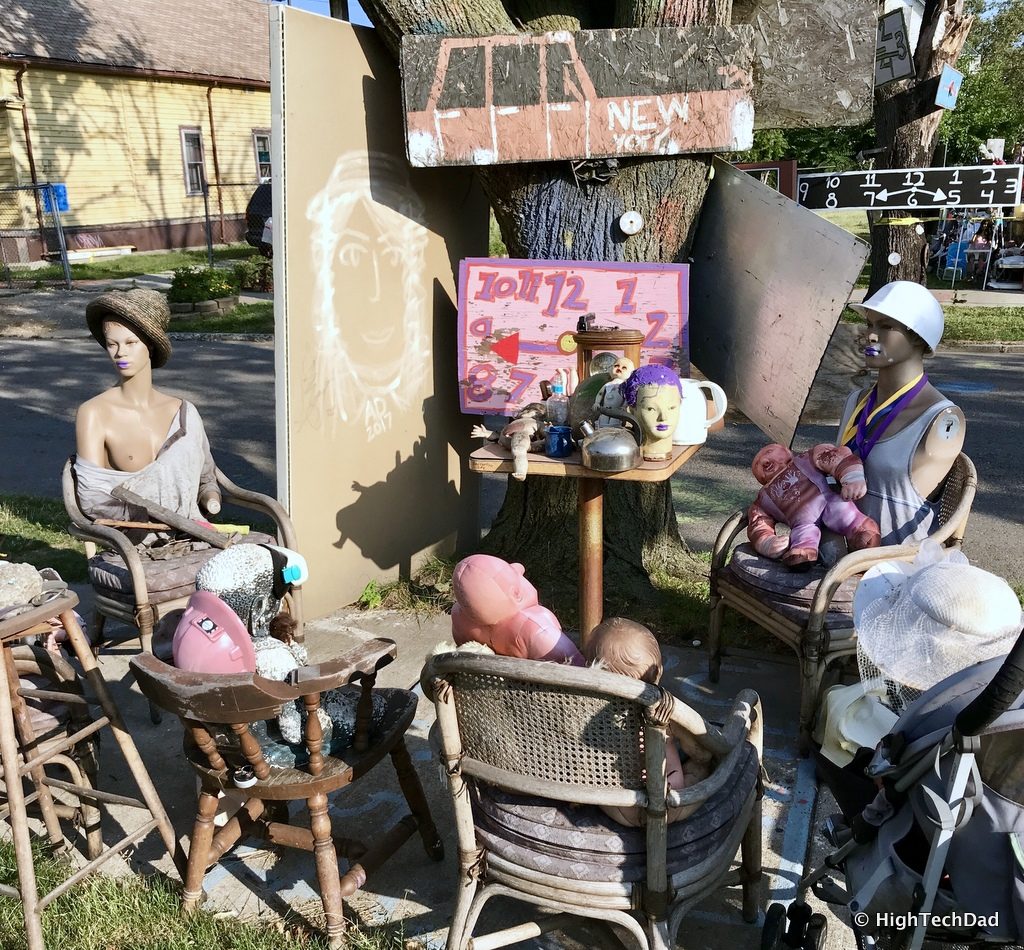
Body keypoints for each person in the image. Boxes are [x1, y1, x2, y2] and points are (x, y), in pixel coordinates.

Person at [74, 288, 222, 533]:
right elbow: (93, 498)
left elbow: (206, 478)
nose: (120, 353)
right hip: (130, 542)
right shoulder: (94, 413)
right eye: (112, 344)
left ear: (150, 346)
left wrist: (211, 500)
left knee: (274, 557)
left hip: (192, 533)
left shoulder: (184, 413)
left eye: (131, 342)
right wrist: (160, 518)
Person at [839, 281, 965, 546]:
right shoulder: (855, 403)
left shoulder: (942, 418)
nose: (871, 336)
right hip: (835, 552)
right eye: (871, 324)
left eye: (886, 327)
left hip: (895, 568)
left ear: (919, 337)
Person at [584, 617, 712, 826]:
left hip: (615, 804)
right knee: (701, 767)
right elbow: (701, 751)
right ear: (658, 671)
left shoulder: (588, 714)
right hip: (665, 807)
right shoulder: (667, 713)